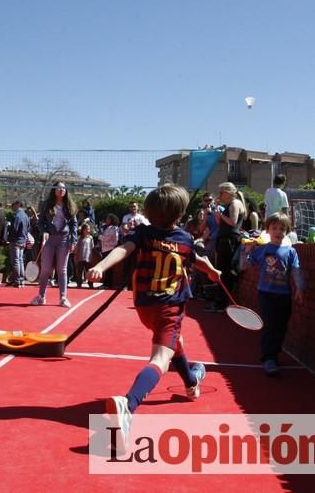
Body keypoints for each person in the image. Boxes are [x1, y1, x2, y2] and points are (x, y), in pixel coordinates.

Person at [87, 185, 221, 444]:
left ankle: (192, 382)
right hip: (169, 307)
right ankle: (130, 403)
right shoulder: (184, 239)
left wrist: (101, 266)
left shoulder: (144, 233)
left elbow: (123, 249)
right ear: (180, 214)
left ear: (148, 211)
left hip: (144, 306)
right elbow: (197, 260)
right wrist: (213, 270)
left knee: (176, 344)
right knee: (161, 358)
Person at [242, 213, 304, 376]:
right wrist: (246, 252)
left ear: (286, 231)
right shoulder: (262, 250)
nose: (278, 231)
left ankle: (274, 353)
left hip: (284, 295)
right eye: (274, 228)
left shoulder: (291, 251)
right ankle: (269, 358)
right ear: (267, 230)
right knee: (269, 325)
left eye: (282, 229)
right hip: (266, 294)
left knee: (281, 326)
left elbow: (296, 270)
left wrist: (299, 288)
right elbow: (244, 266)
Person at [30, 181, 78, 307]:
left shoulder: (70, 206)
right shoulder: (47, 204)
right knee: (45, 269)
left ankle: (63, 298)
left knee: (62, 269)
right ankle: (41, 296)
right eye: (58, 188)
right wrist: (44, 231)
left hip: (64, 239)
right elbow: (40, 223)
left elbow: (74, 224)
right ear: (54, 190)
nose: (61, 189)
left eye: (63, 188)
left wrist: (73, 240)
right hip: (49, 240)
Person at [207, 182, 245, 313]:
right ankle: (220, 302)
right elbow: (221, 223)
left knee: (225, 272)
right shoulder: (230, 204)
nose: (219, 195)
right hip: (224, 239)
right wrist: (218, 212)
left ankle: (222, 303)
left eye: (221, 193)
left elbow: (233, 223)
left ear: (228, 192)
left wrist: (220, 215)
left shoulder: (235, 203)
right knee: (222, 270)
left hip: (229, 240)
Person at [8, 200, 30, 288]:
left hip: (16, 240)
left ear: (18, 205)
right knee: (20, 260)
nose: (12, 207)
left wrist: (8, 228)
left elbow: (14, 228)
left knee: (16, 261)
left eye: (13, 205)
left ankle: (17, 280)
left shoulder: (17, 215)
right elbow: (28, 228)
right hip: (23, 240)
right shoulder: (25, 216)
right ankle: (21, 280)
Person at [98, 213, 121, 289]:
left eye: (108, 219)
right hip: (106, 249)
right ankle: (107, 283)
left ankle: (107, 284)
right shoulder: (108, 228)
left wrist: (99, 236)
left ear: (112, 220)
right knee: (108, 268)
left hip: (109, 249)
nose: (106, 220)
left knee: (108, 268)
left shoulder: (113, 228)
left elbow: (105, 238)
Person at [73, 223, 95, 289]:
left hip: (88, 257)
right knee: (80, 271)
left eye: (89, 229)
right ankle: (79, 283)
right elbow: (77, 248)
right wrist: (75, 256)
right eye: (87, 229)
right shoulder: (79, 238)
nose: (88, 230)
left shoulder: (90, 238)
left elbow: (92, 247)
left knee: (89, 271)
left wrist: (92, 256)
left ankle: (90, 283)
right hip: (80, 257)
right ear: (83, 230)